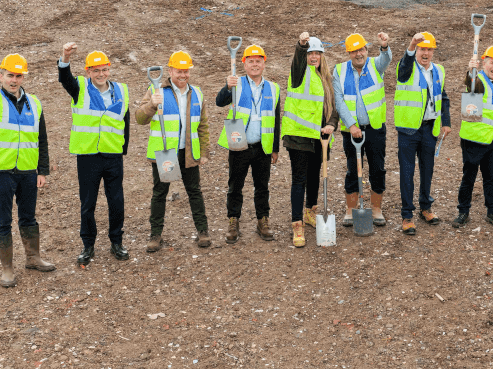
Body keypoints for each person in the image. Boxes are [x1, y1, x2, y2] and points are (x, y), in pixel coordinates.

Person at [0, 33, 53, 287]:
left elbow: (42, 139)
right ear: (1, 75)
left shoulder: (35, 103)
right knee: (3, 219)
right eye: (10, 75)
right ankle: (7, 269)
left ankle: (33, 257)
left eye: (19, 76)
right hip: (1, 171)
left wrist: (42, 170)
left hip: (27, 170)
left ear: (23, 77)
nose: (14, 80)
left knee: (29, 217)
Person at [58, 42, 130, 266]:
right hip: (88, 156)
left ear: (109, 69)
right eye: (96, 70)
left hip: (112, 156)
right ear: (88, 71)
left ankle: (116, 242)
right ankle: (88, 245)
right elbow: (64, 78)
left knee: (116, 201)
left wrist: (122, 149)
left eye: (104, 69)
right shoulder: (80, 88)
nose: (101, 74)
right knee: (88, 203)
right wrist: (65, 58)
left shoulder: (121, 90)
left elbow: (125, 122)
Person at [135, 51, 211, 253]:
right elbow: (140, 118)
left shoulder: (197, 93)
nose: (183, 75)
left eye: (186, 71)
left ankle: (203, 232)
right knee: (160, 193)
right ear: (170, 71)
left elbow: (202, 125)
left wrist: (204, 152)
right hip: (164, 152)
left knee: (194, 191)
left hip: (188, 151)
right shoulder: (155, 89)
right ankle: (155, 235)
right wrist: (152, 104)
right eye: (179, 71)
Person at [215, 43, 282, 244]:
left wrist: (275, 148)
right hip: (239, 145)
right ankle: (233, 221)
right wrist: (228, 87)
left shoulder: (273, 88)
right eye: (250, 61)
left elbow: (276, 119)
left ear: (264, 63)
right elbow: (219, 102)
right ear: (244, 64)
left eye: (258, 61)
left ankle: (263, 220)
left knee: (262, 186)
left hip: (262, 146)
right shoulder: (237, 83)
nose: (255, 65)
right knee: (235, 185)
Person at [283, 33, 340, 247]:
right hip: (298, 136)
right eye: (310, 53)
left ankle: (310, 211)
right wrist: (301, 45)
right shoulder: (299, 73)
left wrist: (332, 124)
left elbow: (333, 107)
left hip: (319, 138)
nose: (313, 56)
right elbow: (298, 60)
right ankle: (297, 224)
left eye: (317, 53)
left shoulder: (326, 78)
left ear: (322, 56)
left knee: (315, 176)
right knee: (299, 179)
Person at [393, 32, 451, 235]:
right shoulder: (407, 68)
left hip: (429, 129)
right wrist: (410, 45)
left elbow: (443, 96)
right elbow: (402, 72)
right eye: (421, 49)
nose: (425, 53)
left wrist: (446, 121)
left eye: (429, 49)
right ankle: (407, 215)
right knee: (407, 173)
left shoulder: (439, 71)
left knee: (427, 171)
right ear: (416, 50)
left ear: (433, 51)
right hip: (408, 129)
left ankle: (425, 207)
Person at [334, 32, 392, 228]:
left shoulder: (376, 65)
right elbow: (339, 100)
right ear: (349, 53)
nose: (359, 54)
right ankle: (351, 210)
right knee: (352, 169)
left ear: (367, 50)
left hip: (375, 128)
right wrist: (351, 125)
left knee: (378, 169)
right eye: (354, 51)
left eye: (362, 49)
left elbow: (386, 58)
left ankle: (376, 209)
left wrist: (384, 46)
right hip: (351, 131)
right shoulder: (339, 71)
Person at [453, 45, 493, 229]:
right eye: (492, 63)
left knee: (490, 178)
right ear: (484, 63)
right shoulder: (479, 80)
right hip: (474, 139)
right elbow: (472, 86)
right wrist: (471, 72)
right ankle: (463, 212)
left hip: (492, 139)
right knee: (469, 177)